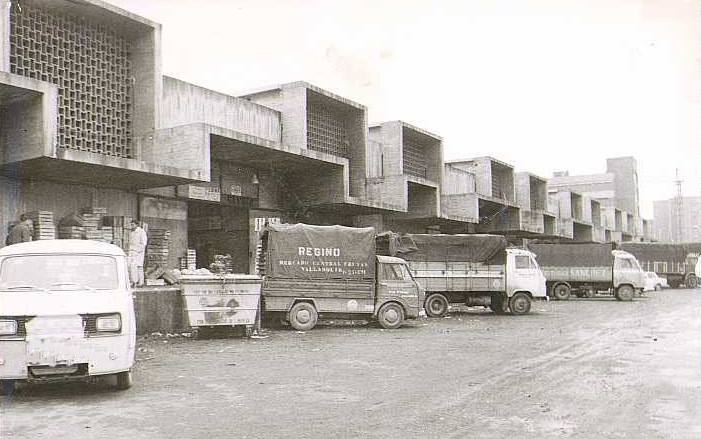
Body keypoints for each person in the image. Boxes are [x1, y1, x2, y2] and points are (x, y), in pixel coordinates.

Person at [127, 220, 148, 287]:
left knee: (139, 267)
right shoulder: (132, 232)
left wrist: (137, 250)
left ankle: (141, 282)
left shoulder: (141, 232)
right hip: (132, 251)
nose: (132, 226)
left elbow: (144, 243)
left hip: (139, 253)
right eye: (131, 225)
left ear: (137, 225)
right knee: (131, 267)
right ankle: (133, 281)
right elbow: (131, 242)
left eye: (133, 225)